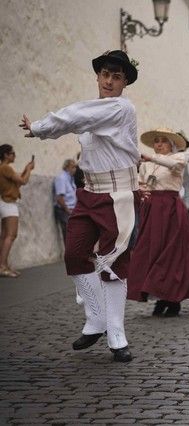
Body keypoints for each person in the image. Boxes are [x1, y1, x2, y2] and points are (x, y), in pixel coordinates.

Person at [20, 49, 140, 362]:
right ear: (98, 77)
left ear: (125, 82)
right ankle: (96, 316)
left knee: (112, 263)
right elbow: (83, 129)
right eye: (105, 75)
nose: (109, 81)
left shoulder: (121, 108)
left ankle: (116, 331)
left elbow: (76, 115)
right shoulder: (96, 112)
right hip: (89, 193)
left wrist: (39, 127)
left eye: (116, 76)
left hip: (118, 196)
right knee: (74, 253)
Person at [127, 128, 189, 317]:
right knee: (151, 252)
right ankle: (158, 296)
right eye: (156, 141)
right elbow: (141, 181)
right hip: (151, 209)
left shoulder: (178, 159)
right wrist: (141, 188)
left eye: (163, 141)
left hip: (170, 209)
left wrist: (150, 157)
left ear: (171, 144)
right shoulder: (147, 165)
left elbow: (186, 160)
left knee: (171, 254)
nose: (159, 144)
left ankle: (172, 299)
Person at [0, 144, 34, 277]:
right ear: (6, 155)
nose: (15, 155)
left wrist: (26, 169)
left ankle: (3, 265)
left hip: (4, 203)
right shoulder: (6, 167)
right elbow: (23, 181)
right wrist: (29, 170)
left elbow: (17, 183)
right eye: (12, 153)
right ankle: (2, 266)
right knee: (11, 235)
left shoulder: (3, 169)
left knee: (4, 236)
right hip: (9, 204)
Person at [53, 159, 78, 243]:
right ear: (67, 168)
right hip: (64, 210)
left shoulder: (70, 178)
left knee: (73, 233)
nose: (75, 169)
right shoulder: (62, 178)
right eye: (73, 167)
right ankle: (69, 255)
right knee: (68, 235)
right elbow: (59, 197)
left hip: (71, 209)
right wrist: (67, 210)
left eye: (75, 167)